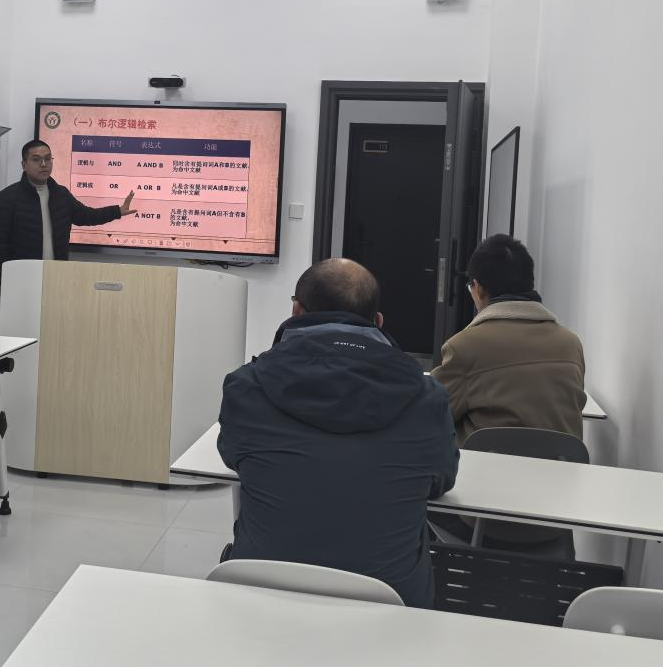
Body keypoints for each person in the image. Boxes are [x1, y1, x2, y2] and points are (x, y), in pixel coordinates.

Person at [217, 258, 459, 608]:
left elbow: (233, 456)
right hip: (390, 608)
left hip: (260, 596)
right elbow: (440, 481)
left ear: (296, 311)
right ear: (378, 321)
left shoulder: (246, 386)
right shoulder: (428, 397)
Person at [431, 234, 586, 445]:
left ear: (478, 288)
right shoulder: (571, 344)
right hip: (561, 464)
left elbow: (429, 410)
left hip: (487, 465)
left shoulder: (465, 346)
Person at [0, 139, 137, 284]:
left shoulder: (61, 194)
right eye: (36, 159)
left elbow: (87, 216)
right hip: (21, 279)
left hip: (56, 277)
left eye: (48, 159)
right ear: (24, 164)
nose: (44, 164)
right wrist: (4, 279)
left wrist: (118, 211)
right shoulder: (7, 198)